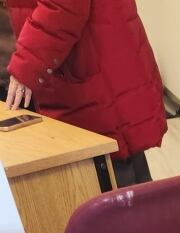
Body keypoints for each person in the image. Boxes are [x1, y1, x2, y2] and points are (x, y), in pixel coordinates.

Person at [4, 0, 166, 186]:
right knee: (129, 176)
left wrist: (26, 65)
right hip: (92, 62)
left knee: (114, 183)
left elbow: (62, 7)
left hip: (88, 67)